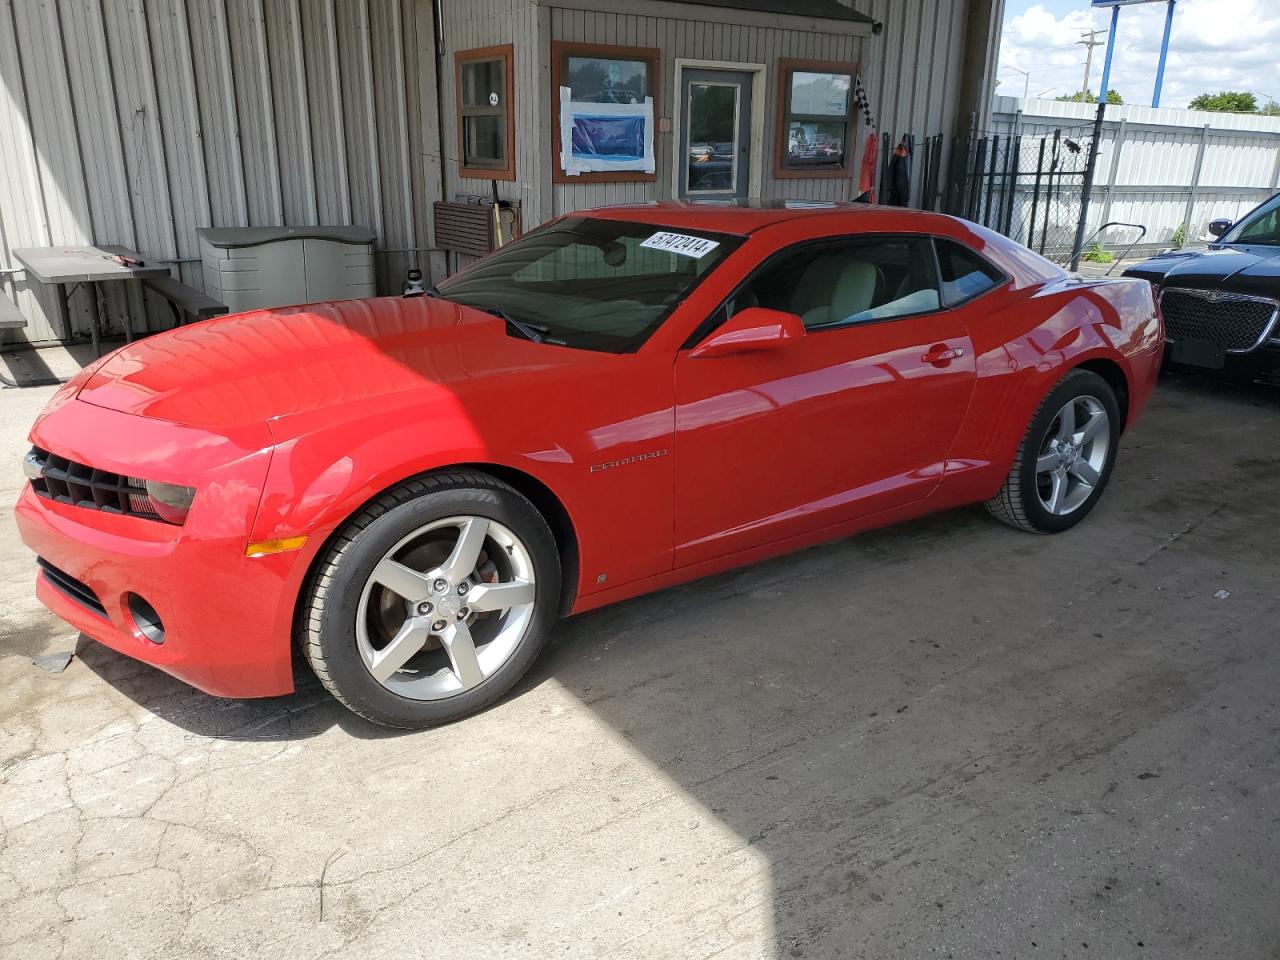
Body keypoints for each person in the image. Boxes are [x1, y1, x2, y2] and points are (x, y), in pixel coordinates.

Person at [888, 141, 911, 206]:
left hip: (892, 195)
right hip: (898, 199)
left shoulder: (895, 159)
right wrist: (904, 200)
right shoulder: (901, 163)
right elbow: (901, 182)